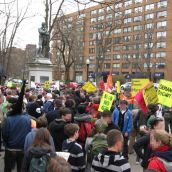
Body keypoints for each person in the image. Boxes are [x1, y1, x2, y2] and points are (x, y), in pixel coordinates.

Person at [2, 80, 31, 172]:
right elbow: (28, 132)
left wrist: (7, 144)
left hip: (10, 149)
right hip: (22, 149)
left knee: (8, 169)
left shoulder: (8, 119)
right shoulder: (27, 119)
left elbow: (5, 134)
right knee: (21, 169)